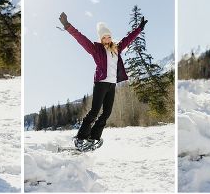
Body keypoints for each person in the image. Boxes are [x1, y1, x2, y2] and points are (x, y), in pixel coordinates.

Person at [58, 12, 147, 149]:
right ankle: (80, 137)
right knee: (94, 111)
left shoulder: (116, 48)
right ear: (101, 39)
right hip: (100, 84)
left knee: (106, 113)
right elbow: (81, 38)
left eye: (108, 36)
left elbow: (128, 38)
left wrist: (139, 28)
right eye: (104, 37)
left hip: (112, 85)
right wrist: (67, 26)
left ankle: (93, 137)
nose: (107, 39)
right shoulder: (96, 49)